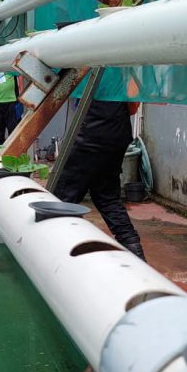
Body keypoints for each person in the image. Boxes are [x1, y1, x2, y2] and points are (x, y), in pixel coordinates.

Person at [49, 82, 145, 260]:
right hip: (116, 137)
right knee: (108, 198)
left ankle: (57, 255)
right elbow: (132, 108)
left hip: (88, 138)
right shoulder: (128, 71)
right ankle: (135, 252)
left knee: (61, 200)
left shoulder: (89, 67)